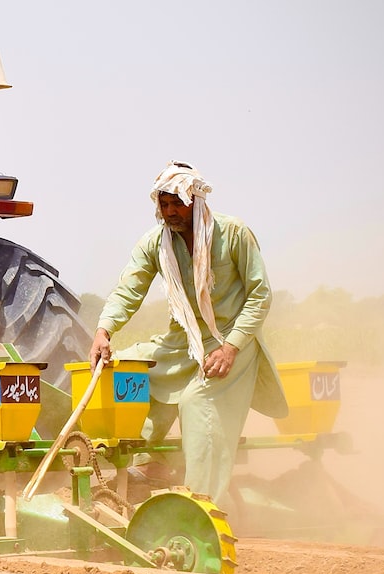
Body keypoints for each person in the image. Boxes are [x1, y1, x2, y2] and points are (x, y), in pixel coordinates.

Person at [89, 162, 287, 509]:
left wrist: (230, 347)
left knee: (196, 404)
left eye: (176, 204)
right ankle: (146, 467)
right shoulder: (156, 242)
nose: (170, 212)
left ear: (196, 200)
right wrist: (104, 330)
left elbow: (260, 295)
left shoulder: (234, 233)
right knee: (127, 370)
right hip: (182, 342)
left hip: (229, 345)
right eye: (164, 205)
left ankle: (201, 504)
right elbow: (128, 290)